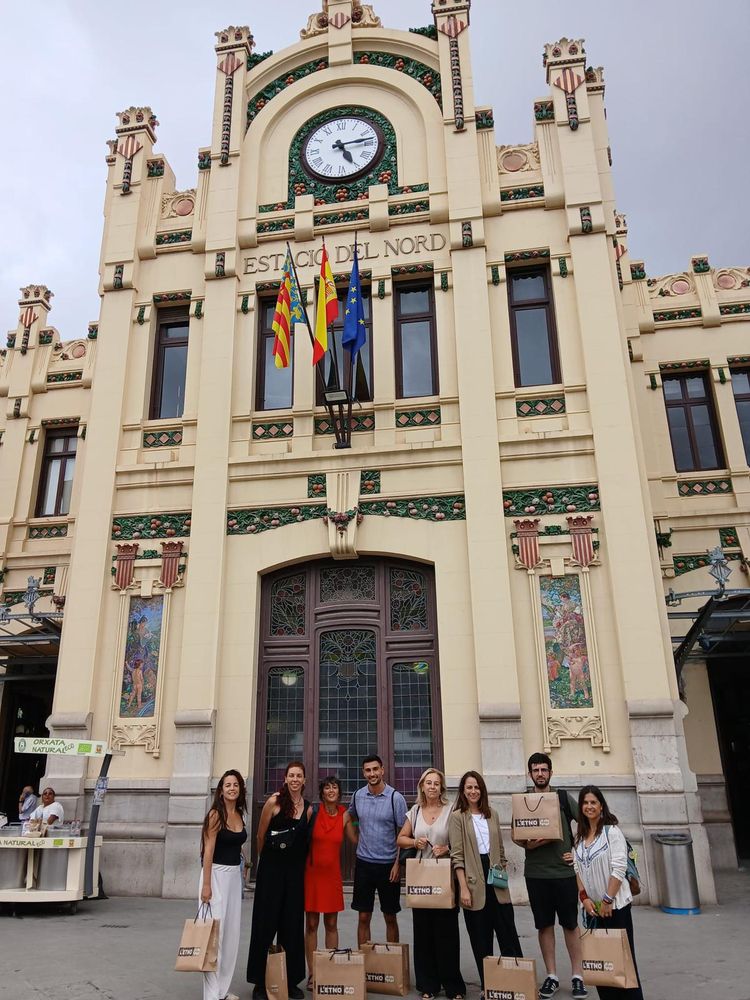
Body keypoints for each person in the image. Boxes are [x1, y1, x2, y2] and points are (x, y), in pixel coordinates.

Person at [513, 753, 585, 1000]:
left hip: (563, 872)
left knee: (570, 924)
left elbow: (587, 823)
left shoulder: (562, 798)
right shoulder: (524, 801)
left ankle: (578, 976)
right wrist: (527, 845)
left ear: (551, 773)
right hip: (536, 874)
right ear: (530, 773)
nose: (540, 774)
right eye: (536, 770)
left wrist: (577, 851)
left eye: (544, 769)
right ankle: (552, 976)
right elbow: (516, 833)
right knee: (544, 925)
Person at [449, 770, 522, 993]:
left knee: (508, 932)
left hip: (496, 880)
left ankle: (517, 982)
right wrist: (463, 888)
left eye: (477, 787)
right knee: (481, 939)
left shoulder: (493, 814)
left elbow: (499, 848)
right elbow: (457, 856)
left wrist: (502, 869)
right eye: (469, 787)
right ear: (463, 790)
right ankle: (488, 986)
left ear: (482, 790)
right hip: (473, 881)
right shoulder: (457, 817)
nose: (473, 791)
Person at [397, 768, 465, 1000]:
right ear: (422, 786)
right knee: (423, 934)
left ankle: (453, 986)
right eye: (429, 783)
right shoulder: (414, 812)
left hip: (445, 878)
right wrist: (415, 842)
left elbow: (460, 841)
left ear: (442, 787)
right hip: (422, 878)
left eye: (437, 783)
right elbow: (401, 838)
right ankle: (428, 985)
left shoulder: (451, 811)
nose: (433, 787)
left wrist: (446, 848)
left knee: (447, 934)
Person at [573, 786, 644, 1000]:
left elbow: (619, 867)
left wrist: (607, 900)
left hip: (616, 908)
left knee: (623, 964)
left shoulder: (611, 832)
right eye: (585, 803)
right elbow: (577, 870)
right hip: (593, 912)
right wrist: (584, 899)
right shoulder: (580, 837)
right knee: (602, 968)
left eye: (593, 802)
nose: (589, 806)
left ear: (601, 805)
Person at [247, 761, 310, 1000]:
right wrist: (267, 864)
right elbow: (260, 836)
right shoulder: (273, 803)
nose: (295, 779)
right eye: (291, 775)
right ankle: (259, 983)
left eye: (299, 776)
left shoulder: (308, 808)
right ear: (285, 779)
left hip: (294, 875)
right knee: (265, 925)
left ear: (304, 781)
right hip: (271, 873)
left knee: (291, 927)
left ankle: (291, 981)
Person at [304, 776, 357, 988]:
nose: (331, 790)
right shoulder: (312, 813)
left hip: (332, 876)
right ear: (322, 792)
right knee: (311, 924)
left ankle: (330, 969)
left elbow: (355, 839)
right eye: (327, 787)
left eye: (335, 787)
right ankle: (313, 973)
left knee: (332, 924)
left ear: (339, 792)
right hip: (312, 874)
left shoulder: (345, 815)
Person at [349, 754, 407, 946]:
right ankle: (364, 964)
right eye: (368, 770)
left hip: (388, 866)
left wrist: (397, 864)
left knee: (390, 917)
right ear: (363, 773)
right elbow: (350, 818)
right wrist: (355, 839)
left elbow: (403, 833)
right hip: (364, 864)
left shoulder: (395, 798)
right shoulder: (358, 796)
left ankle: (393, 963)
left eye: (375, 769)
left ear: (382, 770)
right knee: (363, 917)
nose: (372, 773)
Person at [200, 769, 248, 1000]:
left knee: (230, 935)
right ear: (221, 790)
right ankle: (210, 994)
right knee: (213, 937)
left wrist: (243, 864)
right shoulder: (215, 815)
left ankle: (221, 990)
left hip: (233, 878)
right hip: (215, 877)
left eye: (236, 785)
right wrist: (206, 886)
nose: (232, 788)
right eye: (228, 785)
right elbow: (208, 851)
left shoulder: (239, 814)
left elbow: (235, 843)